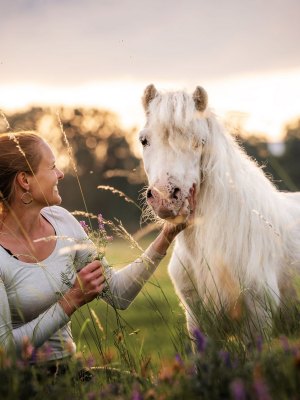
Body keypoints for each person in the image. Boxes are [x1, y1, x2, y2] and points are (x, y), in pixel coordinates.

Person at [0, 131, 192, 366]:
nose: (60, 174)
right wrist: (71, 300)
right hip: (19, 385)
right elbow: (5, 350)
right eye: (51, 167)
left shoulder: (62, 222)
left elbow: (118, 294)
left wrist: (166, 236)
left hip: (71, 375)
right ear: (24, 180)